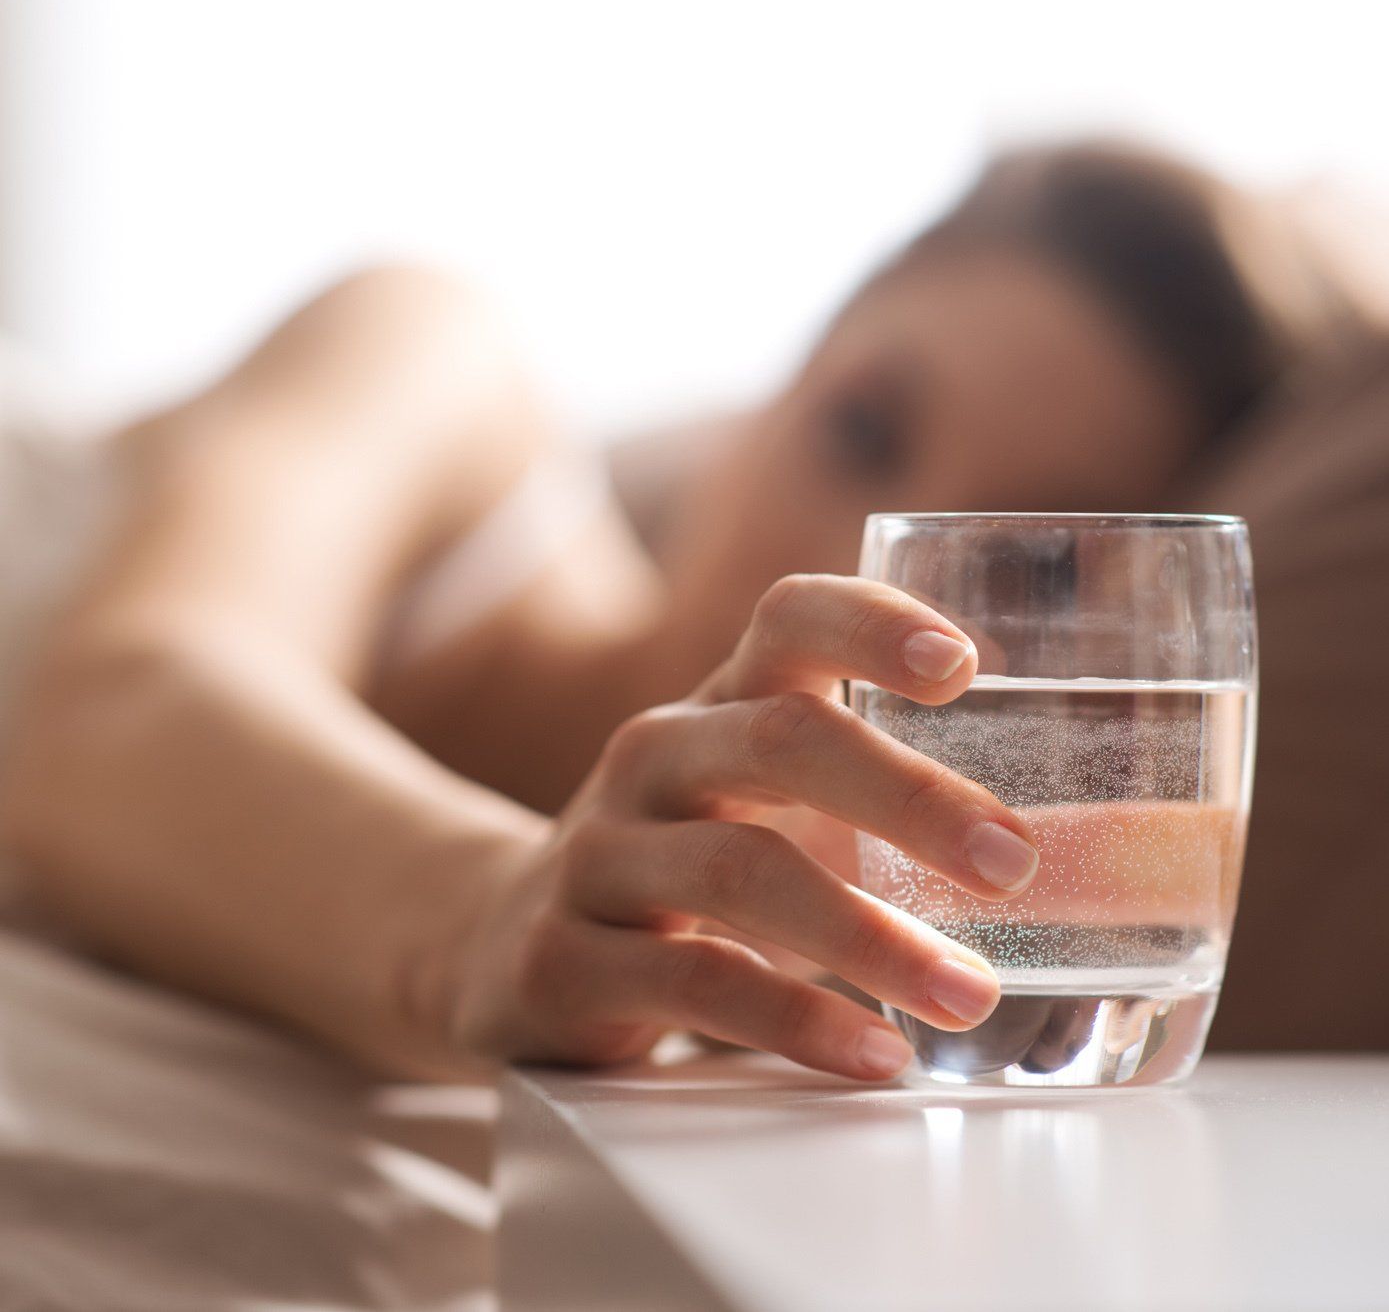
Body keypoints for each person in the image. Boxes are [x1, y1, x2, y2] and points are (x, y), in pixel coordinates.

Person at [2, 140, 1387, 1095]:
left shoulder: (774, 1008)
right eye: (861, 431)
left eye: (1015, 570)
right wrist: (480, 919)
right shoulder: (446, 375)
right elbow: (122, 709)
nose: (859, 576)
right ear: (778, 380)